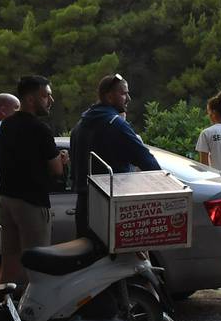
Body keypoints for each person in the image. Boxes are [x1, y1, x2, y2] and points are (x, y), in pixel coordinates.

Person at [0, 75, 66, 321]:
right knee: (38, 269)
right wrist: (62, 160)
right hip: (31, 202)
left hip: (6, 200)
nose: (50, 100)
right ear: (30, 98)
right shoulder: (40, 129)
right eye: (46, 95)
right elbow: (56, 171)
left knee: (10, 266)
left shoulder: (6, 126)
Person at [68, 74, 161, 239]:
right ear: (109, 97)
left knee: (87, 259)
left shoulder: (79, 126)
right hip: (111, 205)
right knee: (118, 262)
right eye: (124, 93)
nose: (129, 98)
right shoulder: (116, 124)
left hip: (83, 205)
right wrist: (163, 183)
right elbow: (147, 161)